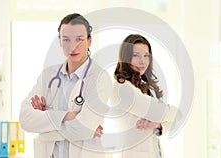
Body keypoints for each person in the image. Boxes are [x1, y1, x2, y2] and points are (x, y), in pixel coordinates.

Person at [19, 13, 112, 158]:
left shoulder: (100, 78)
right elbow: (25, 119)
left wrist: (44, 126)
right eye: (66, 39)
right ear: (60, 42)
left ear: (89, 41)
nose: (72, 46)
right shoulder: (48, 76)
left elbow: (82, 129)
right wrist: (67, 116)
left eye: (79, 39)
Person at [108, 34, 178, 158]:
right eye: (136, 55)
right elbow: (163, 113)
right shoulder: (123, 89)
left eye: (146, 55)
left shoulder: (142, 86)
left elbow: (168, 118)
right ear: (125, 58)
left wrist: (159, 125)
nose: (142, 61)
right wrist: (173, 112)